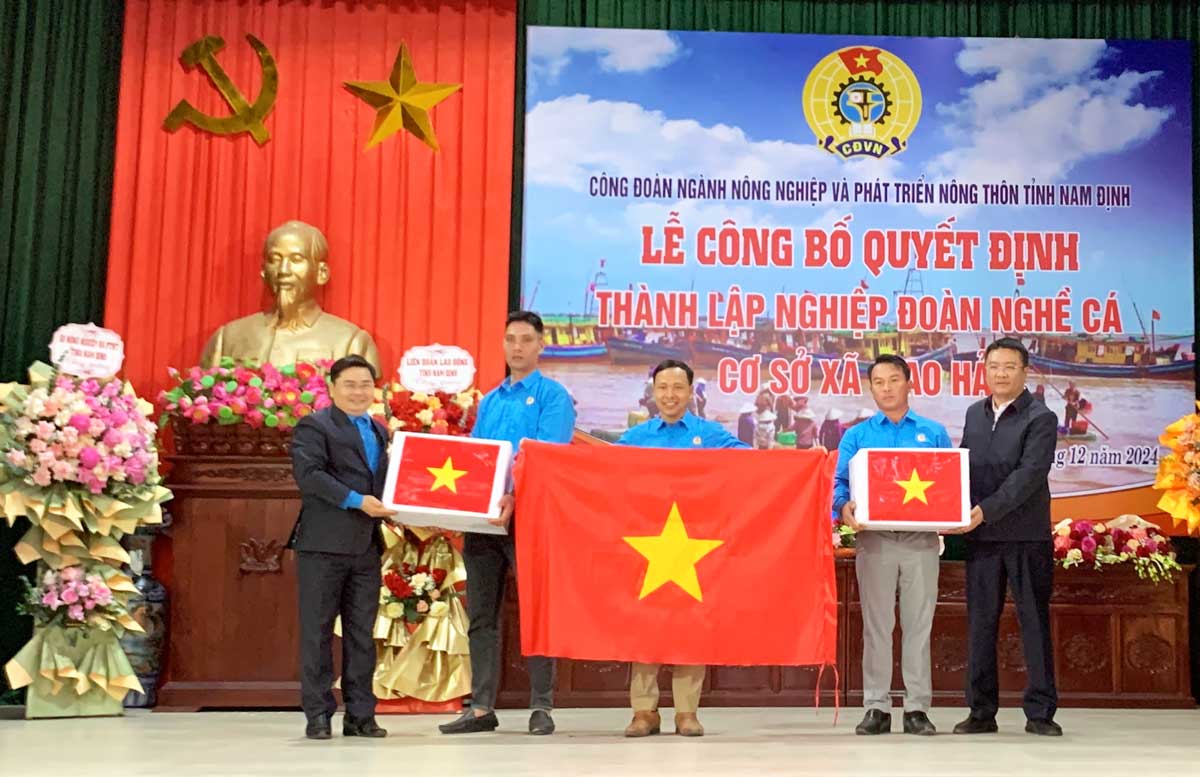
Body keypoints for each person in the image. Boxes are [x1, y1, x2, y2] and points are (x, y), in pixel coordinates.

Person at [438, 311, 576, 736]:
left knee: (536, 611)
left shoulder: (554, 397)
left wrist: (515, 496)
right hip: (484, 520)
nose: (517, 347)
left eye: (526, 340)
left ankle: (542, 706)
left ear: (540, 346)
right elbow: (478, 460)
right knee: (481, 613)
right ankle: (481, 706)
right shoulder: (491, 400)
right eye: (510, 339)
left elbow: (547, 458)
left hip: (532, 518)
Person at [616, 359, 748, 738]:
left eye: (677, 388)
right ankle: (644, 712)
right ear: (652, 392)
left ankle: (686, 712)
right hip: (647, 547)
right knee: (644, 628)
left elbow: (754, 465)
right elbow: (600, 471)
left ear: (691, 393)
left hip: (694, 547)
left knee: (690, 627)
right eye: (663, 388)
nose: (670, 395)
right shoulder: (635, 438)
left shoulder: (710, 435)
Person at [833, 355, 951, 737]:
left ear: (909, 383)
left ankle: (917, 708)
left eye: (894, 379)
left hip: (921, 543)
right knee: (877, 628)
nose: (886, 387)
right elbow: (839, 485)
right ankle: (876, 707)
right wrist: (843, 505)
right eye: (878, 382)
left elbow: (949, 483)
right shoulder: (857, 436)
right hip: (875, 542)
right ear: (871, 388)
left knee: (919, 627)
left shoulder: (933, 433)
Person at [950, 337, 1061, 737]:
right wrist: (950, 506)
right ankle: (981, 712)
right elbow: (961, 467)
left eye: (1009, 366)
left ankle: (1040, 712)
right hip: (982, 538)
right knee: (980, 624)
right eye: (994, 366)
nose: (1000, 373)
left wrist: (984, 511)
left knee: (1033, 621)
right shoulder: (974, 414)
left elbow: (1028, 477)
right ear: (985, 370)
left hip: (1027, 537)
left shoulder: (1041, 418)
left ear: (1024, 371)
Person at [289, 354, 397, 740]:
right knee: (317, 633)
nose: (358, 392)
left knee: (361, 634)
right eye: (350, 384)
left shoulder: (381, 430)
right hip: (322, 545)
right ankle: (318, 715)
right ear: (332, 388)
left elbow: (385, 484)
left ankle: (361, 715)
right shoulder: (313, 426)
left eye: (365, 384)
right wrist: (357, 500)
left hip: (366, 546)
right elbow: (310, 475)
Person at [201, 221, 380, 371]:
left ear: (321, 273)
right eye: (275, 259)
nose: (283, 271)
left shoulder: (350, 342)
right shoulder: (228, 338)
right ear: (263, 271)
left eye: (296, 259)